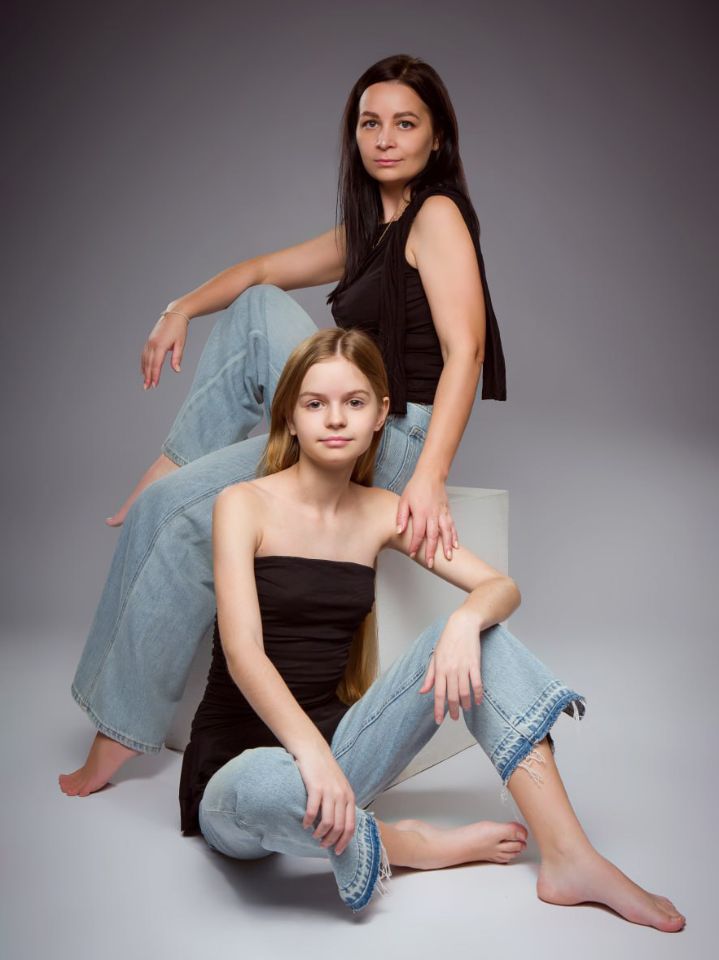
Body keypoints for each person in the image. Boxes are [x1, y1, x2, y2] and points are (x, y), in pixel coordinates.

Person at [60, 53, 507, 797]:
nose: (384, 139)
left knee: (175, 518)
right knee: (255, 309)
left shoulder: (436, 215)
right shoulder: (370, 227)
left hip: (392, 440)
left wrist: (428, 478)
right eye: (369, 123)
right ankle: (174, 463)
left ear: (437, 139)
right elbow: (261, 269)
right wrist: (180, 308)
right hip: (349, 410)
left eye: (405, 124)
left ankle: (119, 732)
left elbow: (467, 351)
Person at [181, 327, 684, 930]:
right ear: (290, 415)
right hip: (237, 771)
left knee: (483, 638)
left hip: (340, 756)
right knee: (267, 788)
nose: (335, 419)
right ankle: (414, 846)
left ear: (379, 415)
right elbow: (244, 653)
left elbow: (500, 586)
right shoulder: (243, 504)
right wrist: (309, 759)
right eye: (315, 403)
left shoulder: (382, 513)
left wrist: (465, 621)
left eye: (354, 402)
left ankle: (570, 857)